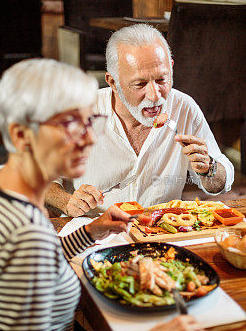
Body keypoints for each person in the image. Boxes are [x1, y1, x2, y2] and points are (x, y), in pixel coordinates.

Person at [0, 59, 210, 331]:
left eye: (90, 122)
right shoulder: (23, 235)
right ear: (21, 135)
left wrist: (90, 231)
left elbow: (32, 265)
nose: (90, 138)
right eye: (70, 126)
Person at [45, 24, 234, 217]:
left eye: (162, 80)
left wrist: (209, 168)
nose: (154, 95)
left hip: (160, 231)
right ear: (113, 83)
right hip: (92, 232)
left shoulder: (184, 107)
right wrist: (67, 202)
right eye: (140, 84)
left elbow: (220, 182)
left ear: (172, 68)